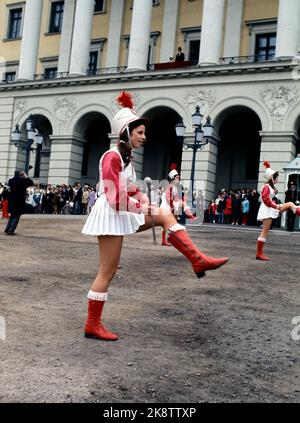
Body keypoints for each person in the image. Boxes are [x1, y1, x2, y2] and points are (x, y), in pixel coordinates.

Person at [81, 91, 229, 341]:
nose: (144, 137)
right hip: (111, 214)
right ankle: (92, 325)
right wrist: (143, 207)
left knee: (163, 213)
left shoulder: (126, 158)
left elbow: (131, 189)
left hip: (122, 211)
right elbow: (114, 197)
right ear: (125, 131)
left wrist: (144, 200)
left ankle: (197, 259)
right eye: (139, 132)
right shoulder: (111, 157)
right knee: (107, 271)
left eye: (143, 133)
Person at [256, 161, 300, 260]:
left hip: (270, 208)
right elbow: (266, 200)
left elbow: (268, 199)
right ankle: (259, 254)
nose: (278, 179)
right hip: (268, 209)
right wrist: (276, 206)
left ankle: (297, 211)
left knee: (290, 204)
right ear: (272, 178)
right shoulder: (266, 187)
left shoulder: (269, 186)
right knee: (264, 232)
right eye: (276, 177)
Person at [160, 164, 196, 246]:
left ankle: (172, 238)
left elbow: (178, 200)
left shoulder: (175, 187)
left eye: (178, 177)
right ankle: (190, 215)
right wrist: (173, 206)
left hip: (171, 205)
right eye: (177, 177)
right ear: (172, 178)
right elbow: (168, 197)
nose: (178, 179)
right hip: (166, 206)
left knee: (174, 222)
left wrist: (185, 196)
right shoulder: (169, 186)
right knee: (165, 224)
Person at [4, 170, 34, 235]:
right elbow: (31, 183)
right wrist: (26, 176)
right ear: (20, 174)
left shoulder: (10, 180)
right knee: (16, 216)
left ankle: (7, 229)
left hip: (12, 200)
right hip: (19, 201)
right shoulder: (22, 180)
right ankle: (11, 230)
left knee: (12, 215)